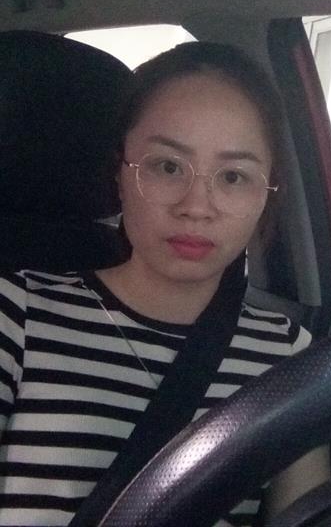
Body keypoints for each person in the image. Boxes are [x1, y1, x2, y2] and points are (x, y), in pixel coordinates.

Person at [0, 42, 311, 527]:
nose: (196, 206)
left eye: (233, 177)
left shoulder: (290, 358)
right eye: (167, 166)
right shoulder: (16, 316)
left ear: (267, 194)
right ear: (120, 173)